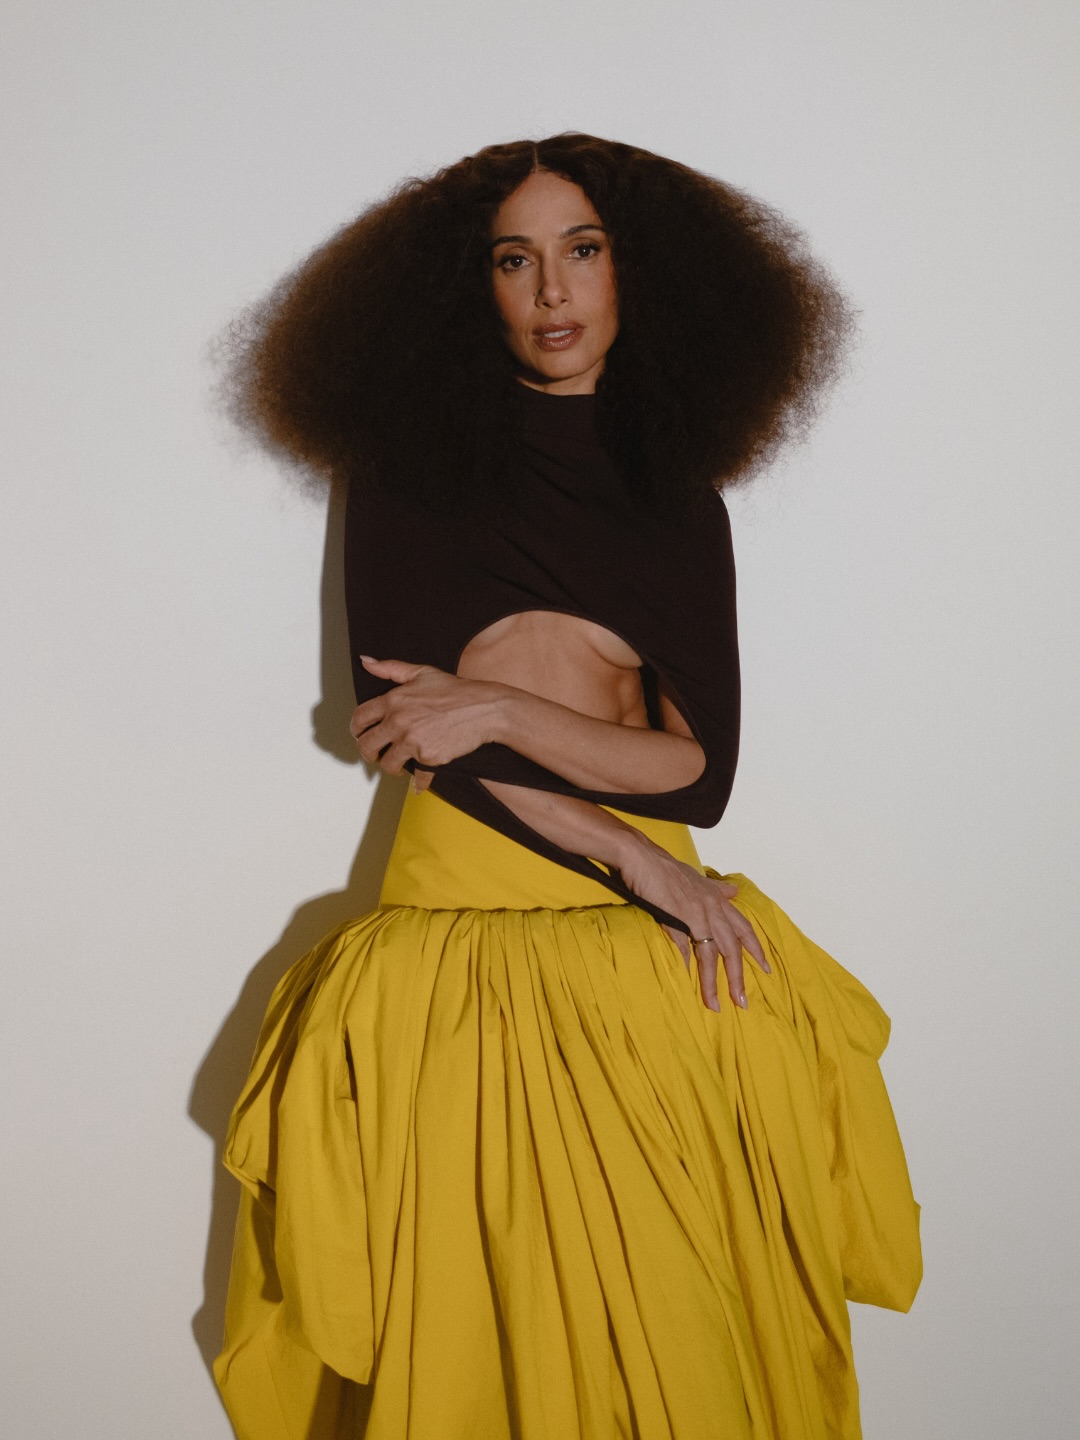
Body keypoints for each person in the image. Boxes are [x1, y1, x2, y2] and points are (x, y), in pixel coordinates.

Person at [213, 133, 922, 1440]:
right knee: (474, 1344)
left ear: (636, 273)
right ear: (468, 288)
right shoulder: (405, 481)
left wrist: (495, 706)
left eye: (582, 251)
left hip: (654, 959)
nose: (552, 291)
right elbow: (413, 737)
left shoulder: (678, 501)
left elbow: (697, 771)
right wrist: (628, 851)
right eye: (514, 260)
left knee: (691, 1351)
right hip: (464, 947)